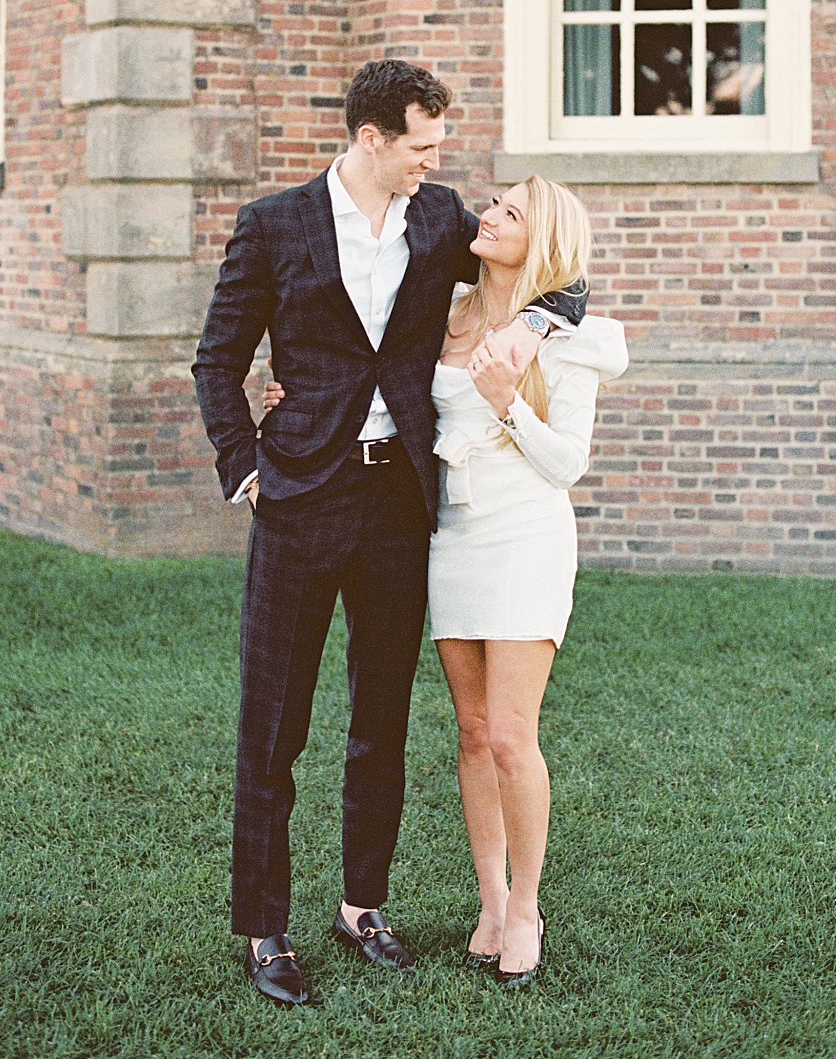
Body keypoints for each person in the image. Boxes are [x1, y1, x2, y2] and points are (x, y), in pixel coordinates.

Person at [265, 176, 626, 989]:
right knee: (469, 731)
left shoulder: (565, 337)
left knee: (509, 734)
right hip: (452, 537)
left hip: (527, 536)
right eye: (493, 203)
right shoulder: (450, 311)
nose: (487, 216)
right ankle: (490, 903)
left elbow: (568, 462)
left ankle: (528, 907)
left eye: (509, 214)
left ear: (543, 242)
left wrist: (508, 402)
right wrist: (292, 393)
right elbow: (370, 367)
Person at [192, 59, 480, 1006]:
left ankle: (363, 906)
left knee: (382, 720)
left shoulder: (439, 221)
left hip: (399, 498)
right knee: (273, 725)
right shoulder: (275, 223)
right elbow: (218, 358)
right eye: (422, 148)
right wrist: (245, 467)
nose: (435, 165)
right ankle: (265, 931)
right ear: (371, 138)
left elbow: (533, 261)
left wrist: (571, 320)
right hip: (300, 498)